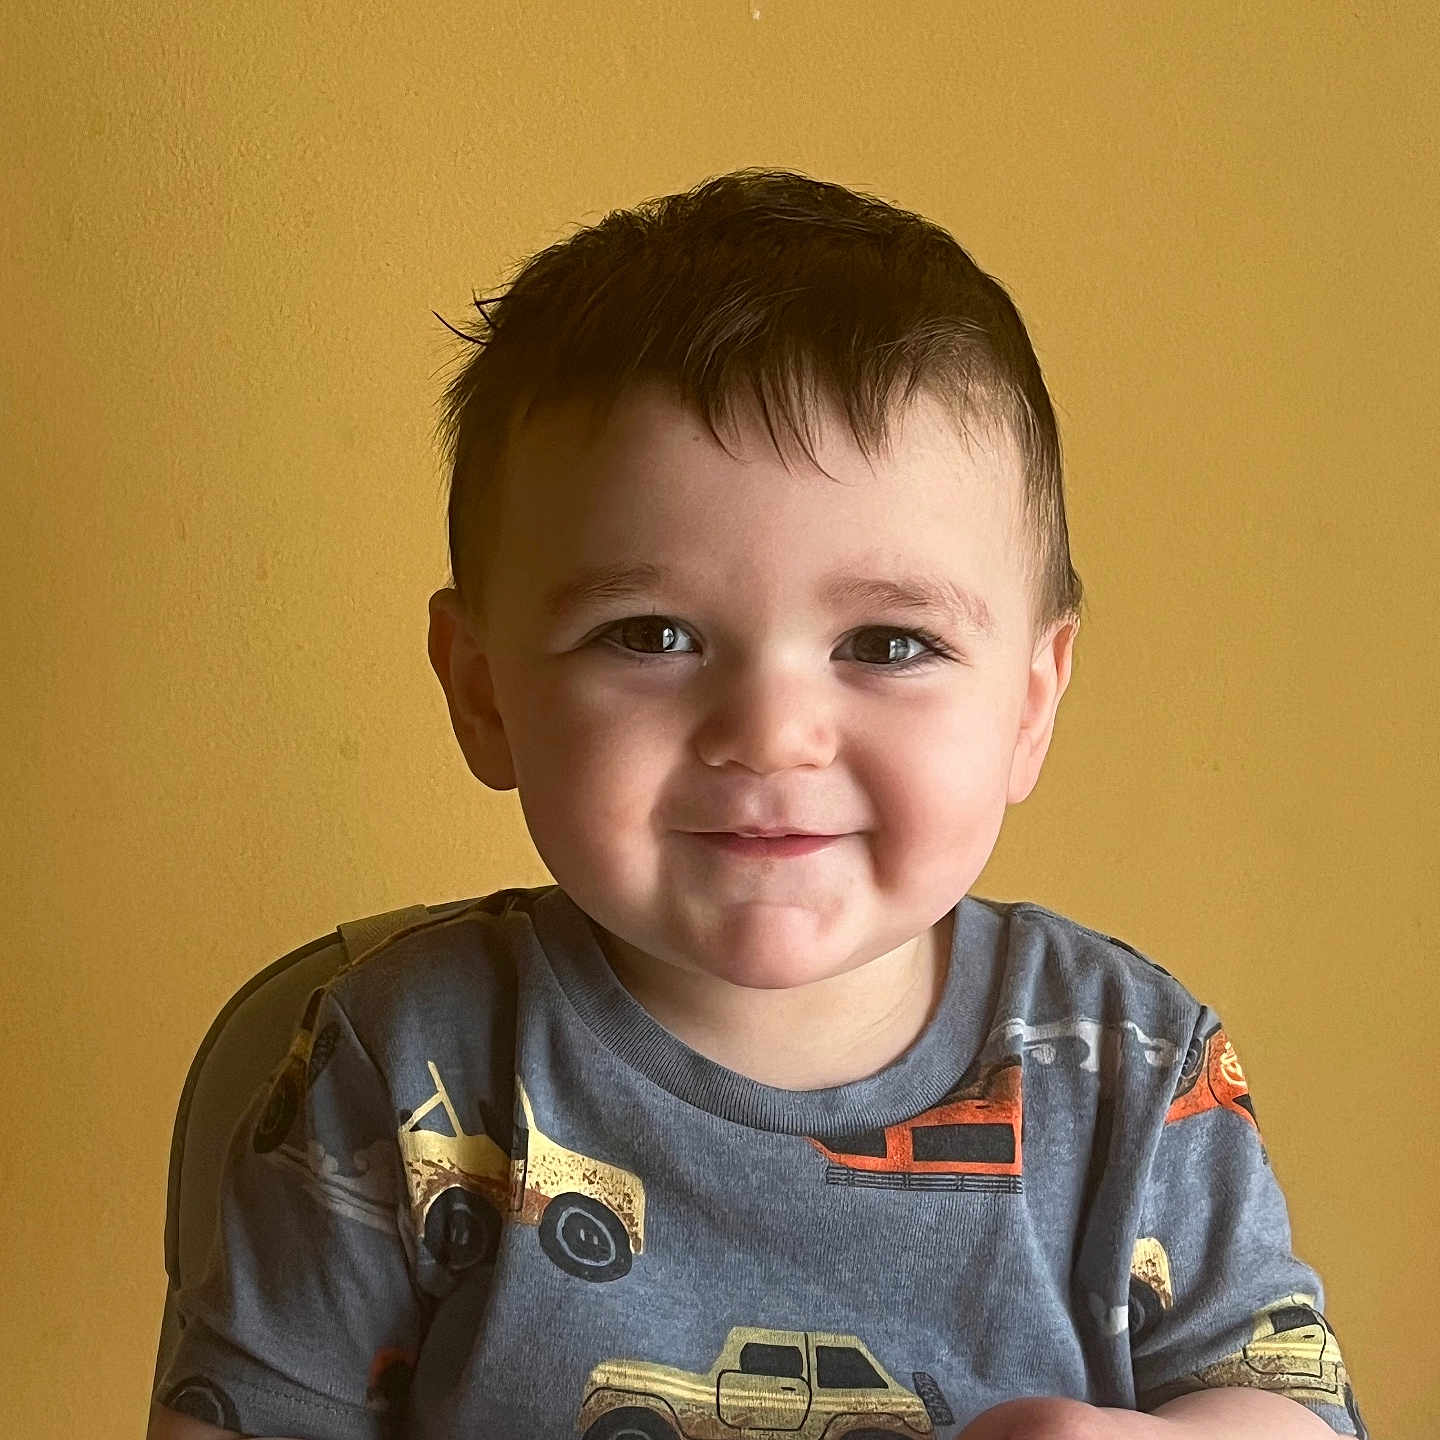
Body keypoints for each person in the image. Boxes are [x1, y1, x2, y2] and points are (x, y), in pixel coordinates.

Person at [149, 168, 1366, 1440]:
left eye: (890, 643)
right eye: (653, 632)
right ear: (485, 693)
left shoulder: (1134, 1068)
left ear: (1028, 706)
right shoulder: (402, 1065)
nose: (772, 733)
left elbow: (1292, 1404)